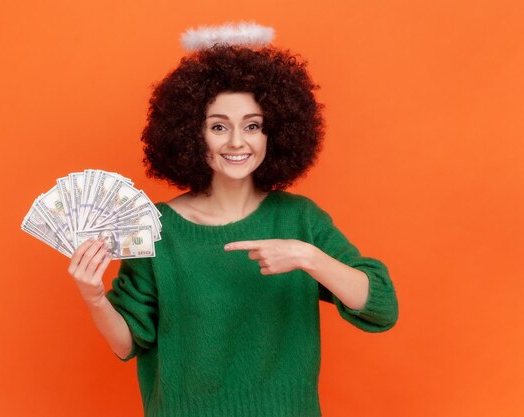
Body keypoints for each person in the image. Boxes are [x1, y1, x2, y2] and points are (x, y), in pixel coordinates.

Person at [67, 23, 398, 417]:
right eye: (219, 126)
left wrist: (308, 257)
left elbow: (381, 309)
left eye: (253, 126)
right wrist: (93, 297)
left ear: (274, 133)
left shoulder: (300, 219)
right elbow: (126, 344)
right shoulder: (154, 228)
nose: (237, 142)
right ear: (191, 134)